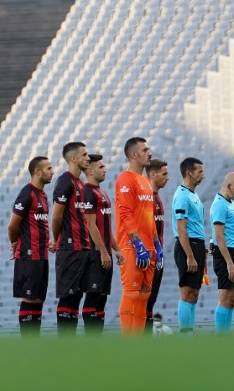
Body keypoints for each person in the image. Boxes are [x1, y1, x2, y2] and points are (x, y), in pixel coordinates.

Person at [114, 136, 160, 334]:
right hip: (132, 246)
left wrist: (157, 245)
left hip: (148, 247)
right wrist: (138, 243)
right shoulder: (125, 179)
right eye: (145, 150)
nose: (150, 153)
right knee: (131, 292)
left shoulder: (145, 182)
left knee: (144, 294)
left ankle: (138, 341)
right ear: (134, 155)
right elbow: (125, 214)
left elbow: (150, 217)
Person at [51, 142, 94, 333]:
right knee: (68, 296)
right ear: (73, 158)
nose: (88, 158)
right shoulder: (65, 181)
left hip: (83, 248)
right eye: (84, 155)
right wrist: (56, 239)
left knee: (76, 296)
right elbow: (56, 216)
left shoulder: (81, 184)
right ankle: (64, 342)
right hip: (69, 248)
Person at [9, 156, 53, 336]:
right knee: (29, 298)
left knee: (38, 299)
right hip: (29, 255)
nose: (52, 172)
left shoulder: (42, 195)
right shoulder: (26, 193)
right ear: (37, 171)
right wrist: (15, 244)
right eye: (49, 168)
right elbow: (13, 226)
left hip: (42, 255)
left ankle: (34, 341)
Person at [81, 153, 121, 333]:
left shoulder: (102, 192)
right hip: (94, 253)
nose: (105, 170)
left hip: (105, 252)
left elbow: (105, 227)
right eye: (101, 167)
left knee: (101, 298)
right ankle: (91, 341)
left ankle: (97, 340)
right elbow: (91, 225)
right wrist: (103, 252)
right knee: (93, 296)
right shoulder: (88, 192)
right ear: (90, 171)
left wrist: (116, 249)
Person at [172, 157, 206, 333]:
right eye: (199, 171)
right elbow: (181, 228)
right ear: (189, 173)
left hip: (197, 245)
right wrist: (190, 256)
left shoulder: (193, 194)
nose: (203, 175)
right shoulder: (182, 196)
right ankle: (185, 335)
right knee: (187, 292)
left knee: (194, 292)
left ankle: (189, 332)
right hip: (188, 247)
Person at [209, 171, 234, 333]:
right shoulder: (219, 204)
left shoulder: (230, 203)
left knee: (232, 299)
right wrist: (229, 263)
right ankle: (220, 337)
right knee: (224, 298)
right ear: (229, 186)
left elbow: (233, 234)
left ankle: (226, 334)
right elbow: (219, 235)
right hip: (225, 254)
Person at [145, 158, 169, 332]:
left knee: (150, 302)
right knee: (144, 301)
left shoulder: (157, 197)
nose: (167, 177)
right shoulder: (145, 198)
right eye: (164, 174)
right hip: (148, 257)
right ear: (153, 175)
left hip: (157, 256)